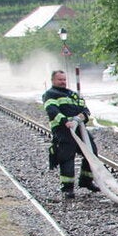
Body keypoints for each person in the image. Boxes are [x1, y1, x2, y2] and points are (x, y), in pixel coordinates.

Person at [42, 70, 100, 199]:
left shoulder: (72, 94)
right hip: (63, 132)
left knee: (92, 152)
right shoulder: (50, 94)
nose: (62, 82)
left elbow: (85, 109)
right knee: (67, 158)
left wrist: (82, 116)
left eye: (64, 79)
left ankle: (86, 181)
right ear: (53, 81)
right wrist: (65, 121)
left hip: (80, 130)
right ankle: (67, 188)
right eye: (60, 80)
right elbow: (52, 111)